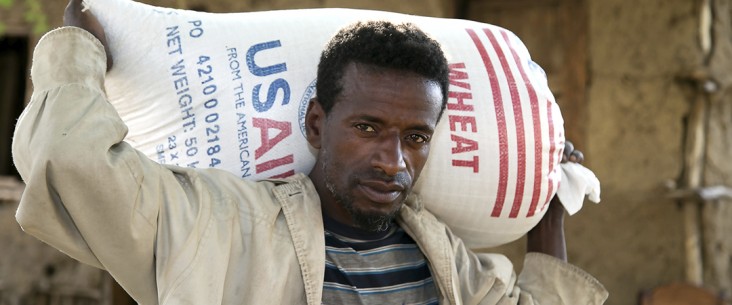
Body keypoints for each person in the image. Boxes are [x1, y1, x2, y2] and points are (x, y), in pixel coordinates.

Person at [12, 0, 607, 304]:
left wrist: (552, 198)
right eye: (369, 128)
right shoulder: (219, 225)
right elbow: (70, 164)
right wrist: (77, 51)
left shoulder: (440, 255)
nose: (393, 160)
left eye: (415, 137)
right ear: (317, 124)